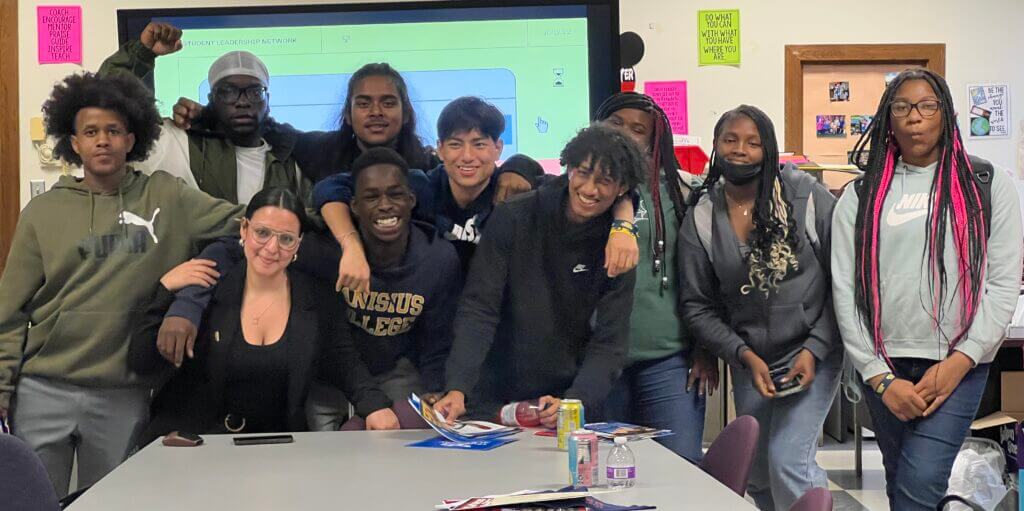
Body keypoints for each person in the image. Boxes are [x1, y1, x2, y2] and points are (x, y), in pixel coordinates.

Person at [0, 72, 245, 496]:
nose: (102, 141)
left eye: (113, 131)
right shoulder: (41, 213)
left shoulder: (169, 198)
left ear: (132, 140)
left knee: (110, 503)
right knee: (35, 502)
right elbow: (9, 311)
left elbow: (251, 226)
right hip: (43, 389)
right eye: (90, 132)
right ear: (72, 142)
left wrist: (334, 212)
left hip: (124, 391)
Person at [832, 68, 1023, 510]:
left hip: (960, 365)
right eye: (902, 107)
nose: (914, 117)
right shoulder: (860, 195)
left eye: (926, 106)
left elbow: (1001, 285)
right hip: (887, 364)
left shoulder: (986, 186)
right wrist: (878, 376)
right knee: (901, 483)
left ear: (947, 114)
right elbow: (846, 290)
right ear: (888, 118)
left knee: (919, 485)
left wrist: (960, 361)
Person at [129, 187, 400, 443]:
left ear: (298, 244)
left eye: (286, 239)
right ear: (244, 229)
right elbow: (142, 361)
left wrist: (375, 405)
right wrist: (164, 289)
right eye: (262, 233)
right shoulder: (208, 285)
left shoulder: (317, 298)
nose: (271, 248)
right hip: (195, 441)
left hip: (277, 446)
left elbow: (343, 360)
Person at [679, 105, 842, 511]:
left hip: (813, 350)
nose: (740, 150)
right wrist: (744, 356)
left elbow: (844, 282)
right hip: (751, 358)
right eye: (730, 140)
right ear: (715, 146)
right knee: (756, 472)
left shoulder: (805, 197)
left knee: (789, 460)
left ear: (768, 150)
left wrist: (815, 349)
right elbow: (697, 306)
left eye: (753, 142)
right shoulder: (702, 214)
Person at [433, 124, 645, 425]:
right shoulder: (515, 216)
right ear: (569, 168)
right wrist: (457, 387)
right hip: (494, 390)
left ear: (622, 187)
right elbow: (480, 308)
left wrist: (575, 402)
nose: (589, 189)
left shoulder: (619, 247)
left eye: (605, 181)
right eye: (582, 173)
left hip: (565, 393)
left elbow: (610, 341)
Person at [312, 96, 639, 289]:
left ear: (498, 148)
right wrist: (351, 246)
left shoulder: (515, 192)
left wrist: (624, 226)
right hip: (434, 321)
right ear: (439, 149)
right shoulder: (419, 187)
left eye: (480, 144)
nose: (467, 156)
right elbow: (331, 189)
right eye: (455, 145)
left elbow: (593, 189)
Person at [593, 92, 717, 462]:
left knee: (680, 465)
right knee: (604, 472)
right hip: (598, 358)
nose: (626, 134)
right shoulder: (581, 190)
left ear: (654, 140)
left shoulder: (682, 193)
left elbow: (705, 277)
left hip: (669, 358)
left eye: (638, 129)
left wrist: (705, 347)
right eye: (616, 123)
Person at [304, 148, 463, 430]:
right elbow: (334, 346)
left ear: (411, 200)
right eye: (372, 196)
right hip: (334, 377)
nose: (385, 205)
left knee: (408, 433)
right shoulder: (325, 253)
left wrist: (436, 389)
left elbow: (437, 339)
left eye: (395, 194)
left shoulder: (438, 257)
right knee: (340, 446)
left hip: (395, 373)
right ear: (353, 206)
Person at [99, 22, 313, 204]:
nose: (242, 102)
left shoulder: (290, 163)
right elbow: (108, 103)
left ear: (268, 101)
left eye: (254, 92)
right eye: (228, 92)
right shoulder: (178, 142)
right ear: (211, 100)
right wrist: (142, 53)